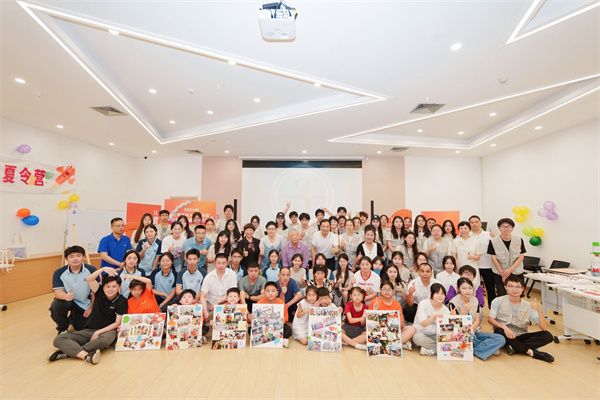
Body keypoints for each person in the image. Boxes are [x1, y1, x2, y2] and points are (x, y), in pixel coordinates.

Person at [49, 267, 127, 365]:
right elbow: (89, 279)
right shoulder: (99, 292)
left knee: (106, 340)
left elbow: (117, 323)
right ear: (103, 287)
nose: (110, 289)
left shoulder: (122, 301)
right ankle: (86, 355)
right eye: (108, 286)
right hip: (90, 330)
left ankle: (68, 353)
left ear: (119, 287)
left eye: (114, 286)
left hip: (108, 331)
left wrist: (98, 332)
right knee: (58, 339)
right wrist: (103, 269)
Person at [488, 275, 554, 363]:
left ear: (523, 289)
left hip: (520, 335)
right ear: (505, 287)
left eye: (518, 287)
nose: (514, 289)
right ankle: (531, 352)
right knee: (499, 331)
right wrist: (504, 327)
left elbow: (544, 328)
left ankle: (515, 347)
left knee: (548, 336)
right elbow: (490, 319)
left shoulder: (528, 305)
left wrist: (539, 310)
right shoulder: (497, 301)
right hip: (504, 334)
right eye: (511, 286)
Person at [449, 277, 505, 361]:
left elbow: (477, 320)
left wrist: (471, 329)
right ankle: (484, 349)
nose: (467, 291)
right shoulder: (453, 303)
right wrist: (463, 313)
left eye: (470, 288)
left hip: (474, 332)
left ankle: (473, 350)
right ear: (458, 289)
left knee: (500, 339)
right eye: (464, 288)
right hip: (460, 335)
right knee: (469, 337)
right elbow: (456, 327)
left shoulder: (475, 300)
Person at [50, 246, 97, 334]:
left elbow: (96, 292)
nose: (75, 259)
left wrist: (91, 308)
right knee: (56, 305)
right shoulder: (58, 273)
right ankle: (62, 328)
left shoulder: (91, 270)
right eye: (71, 256)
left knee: (82, 327)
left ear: (83, 257)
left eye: (78, 256)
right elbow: (58, 292)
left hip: (85, 303)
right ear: (66, 259)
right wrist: (66, 296)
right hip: (68, 301)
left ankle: (72, 319)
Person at [488, 218, 527, 297]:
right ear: (499, 228)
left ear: (512, 228)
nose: (506, 228)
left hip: (516, 272)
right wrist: (503, 274)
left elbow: (521, 256)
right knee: (502, 294)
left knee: (517, 294)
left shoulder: (519, 240)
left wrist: (509, 271)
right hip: (500, 273)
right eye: (503, 226)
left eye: (508, 226)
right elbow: (493, 258)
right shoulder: (493, 241)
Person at [371, 280, 416, 348]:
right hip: (379, 331)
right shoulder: (375, 302)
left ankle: (391, 345)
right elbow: (370, 323)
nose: (387, 291)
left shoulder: (397, 304)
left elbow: (401, 324)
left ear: (393, 291)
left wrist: (394, 322)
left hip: (393, 331)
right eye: (384, 289)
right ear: (380, 291)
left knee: (411, 329)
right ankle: (395, 344)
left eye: (389, 289)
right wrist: (374, 311)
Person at [413, 283, 450, 356]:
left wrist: (452, 317)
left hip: (436, 335)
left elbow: (447, 329)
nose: (440, 296)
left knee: (448, 339)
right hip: (422, 333)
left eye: (442, 294)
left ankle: (431, 350)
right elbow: (423, 323)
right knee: (416, 338)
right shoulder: (423, 303)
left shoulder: (445, 309)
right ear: (431, 293)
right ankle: (440, 348)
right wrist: (434, 317)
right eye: (437, 293)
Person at [200, 253, 238, 320]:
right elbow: (202, 296)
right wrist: (205, 312)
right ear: (215, 263)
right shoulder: (209, 276)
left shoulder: (232, 274)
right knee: (205, 314)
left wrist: (217, 303)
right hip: (210, 302)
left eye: (223, 263)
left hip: (226, 301)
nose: (221, 265)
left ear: (227, 263)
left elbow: (233, 293)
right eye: (218, 263)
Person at [469, 215, 496, 308]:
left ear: (480, 223)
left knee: (491, 289)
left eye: (476, 221)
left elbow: (495, 250)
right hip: (473, 266)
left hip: (488, 266)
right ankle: (474, 309)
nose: (474, 224)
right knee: (472, 288)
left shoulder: (489, 235)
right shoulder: (467, 235)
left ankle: (492, 309)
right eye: (472, 222)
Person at [451, 222, 483, 288]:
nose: (463, 230)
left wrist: (472, 257)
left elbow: (478, 257)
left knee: (474, 286)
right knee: (461, 286)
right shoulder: (456, 241)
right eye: (461, 228)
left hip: (472, 268)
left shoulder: (476, 241)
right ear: (458, 230)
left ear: (469, 229)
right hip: (460, 267)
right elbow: (454, 256)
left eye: (465, 228)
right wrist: (457, 268)